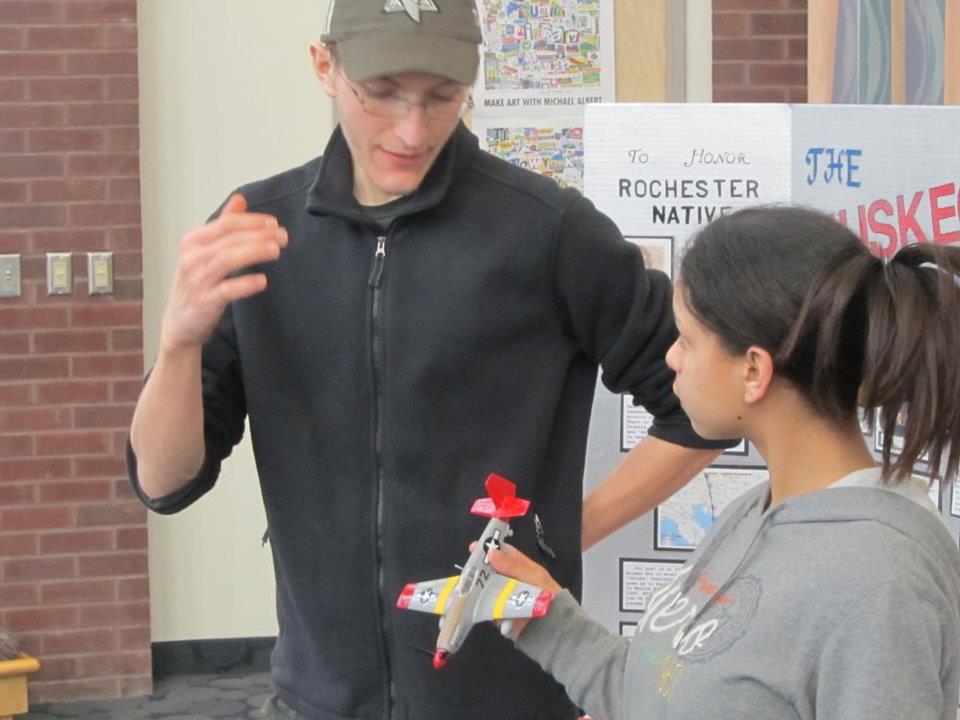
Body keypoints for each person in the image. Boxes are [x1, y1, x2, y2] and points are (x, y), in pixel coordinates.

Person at [127, 2, 731, 718]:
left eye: (441, 97)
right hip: (317, 701)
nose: (412, 131)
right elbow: (164, 483)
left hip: (510, 699)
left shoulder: (548, 231)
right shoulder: (257, 233)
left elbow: (706, 411)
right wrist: (179, 342)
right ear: (325, 67)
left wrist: (569, 527)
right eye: (381, 92)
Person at [490, 205, 960, 720]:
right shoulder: (753, 515)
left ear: (753, 370)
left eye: (686, 339)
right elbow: (663, 691)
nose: (671, 357)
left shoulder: (880, 587)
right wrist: (544, 617)